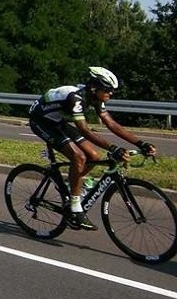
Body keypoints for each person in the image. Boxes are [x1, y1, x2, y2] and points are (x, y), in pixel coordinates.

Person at [28, 66, 157, 231]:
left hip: (58, 121)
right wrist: (113, 148)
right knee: (79, 157)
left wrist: (141, 143)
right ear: (94, 88)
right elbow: (84, 130)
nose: (111, 94)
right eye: (108, 90)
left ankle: (71, 186)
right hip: (41, 121)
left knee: (94, 156)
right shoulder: (76, 98)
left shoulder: (96, 98)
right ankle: (75, 206)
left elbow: (111, 124)